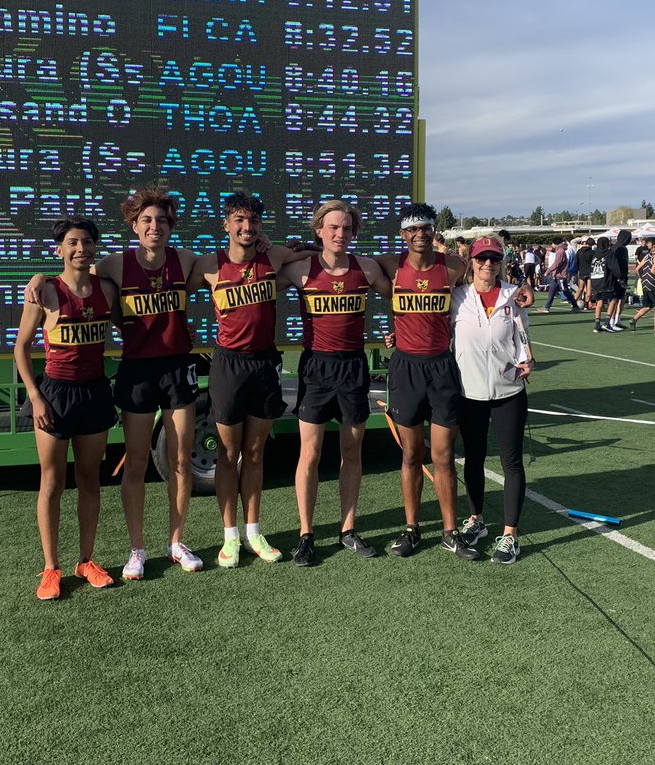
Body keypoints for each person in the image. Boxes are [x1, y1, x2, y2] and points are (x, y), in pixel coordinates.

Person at [25, 191, 207, 579]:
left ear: (171, 225)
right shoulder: (114, 266)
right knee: (136, 462)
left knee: (179, 460)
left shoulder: (187, 260)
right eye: (146, 221)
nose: (154, 227)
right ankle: (135, 549)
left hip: (177, 369)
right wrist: (39, 276)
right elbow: (72, 281)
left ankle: (176, 541)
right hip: (135, 372)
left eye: (161, 220)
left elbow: (233, 260)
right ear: (134, 226)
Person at [189, 193, 312, 568]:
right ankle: (229, 537)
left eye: (254, 221)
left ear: (261, 226)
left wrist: (274, 245)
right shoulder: (210, 265)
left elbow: (311, 252)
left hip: (263, 365)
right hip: (227, 366)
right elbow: (166, 286)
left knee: (255, 453)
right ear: (226, 224)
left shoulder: (272, 258)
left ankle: (254, 531)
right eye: (239, 220)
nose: (246, 227)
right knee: (228, 454)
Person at [14, 217, 119, 601]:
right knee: (52, 483)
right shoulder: (46, 292)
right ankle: (50, 568)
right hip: (55, 394)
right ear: (59, 249)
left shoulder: (106, 289)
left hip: (94, 392)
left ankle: (86, 560)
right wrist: (36, 396)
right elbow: (20, 348)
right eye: (72, 242)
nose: (81, 249)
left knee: (90, 480)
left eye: (87, 242)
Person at [283, 200, 392, 566]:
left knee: (352, 452)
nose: (339, 234)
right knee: (309, 455)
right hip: (315, 367)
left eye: (346, 228)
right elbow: (256, 277)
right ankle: (306, 534)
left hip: (353, 368)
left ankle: (347, 529)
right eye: (332, 227)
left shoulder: (366, 268)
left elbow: (403, 294)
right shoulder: (300, 268)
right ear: (319, 230)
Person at [376, 203, 479, 560]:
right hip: (405, 368)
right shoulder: (390, 266)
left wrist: (519, 289)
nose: (420, 234)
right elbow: (340, 259)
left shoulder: (451, 267)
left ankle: (451, 532)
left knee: (444, 455)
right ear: (403, 234)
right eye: (413, 229)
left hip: (441, 367)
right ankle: (412, 529)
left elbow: (486, 273)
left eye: (426, 228)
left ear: (434, 232)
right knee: (410, 454)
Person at [453, 237, 535, 564]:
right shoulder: (457, 297)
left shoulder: (513, 297)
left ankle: (510, 534)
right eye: (482, 258)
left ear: (501, 261)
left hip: (509, 392)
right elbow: (436, 334)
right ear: (471, 261)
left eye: (494, 258)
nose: (488, 264)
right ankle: (476, 520)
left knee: (511, 462)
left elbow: (524, 338)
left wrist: (529, 360)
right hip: (469, 394)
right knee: (473, 459)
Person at [630, 237, 655, 334]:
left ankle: (634, 319)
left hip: (645, 284)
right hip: (654, 283)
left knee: (647, 306)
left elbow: (637, 269)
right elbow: (653, 270)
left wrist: (642, 279)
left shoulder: (648, 255)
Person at [538, 237, 579, 313]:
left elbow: (557, 263)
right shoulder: (559, 251)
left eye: (552, 243)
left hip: (561, 276)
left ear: (555, 243)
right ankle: (547, 307)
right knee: (552, 291)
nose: (551, 245)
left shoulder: (560, 251)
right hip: (556, 276)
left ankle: (575, 306)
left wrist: (548, 271)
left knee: (565, 291)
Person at [590, 236, 614, 332]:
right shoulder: (608, 254)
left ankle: (597, 323)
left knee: (599, 302)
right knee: (612, 300)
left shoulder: (595, 255)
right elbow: (613, 267)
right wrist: (620, 277)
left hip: (595, 281)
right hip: (605, 281)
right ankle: (607, 322)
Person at [574, 237, 595, 309]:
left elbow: (576, 262)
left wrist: (578, 269)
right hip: (590, 272)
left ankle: (574, 302)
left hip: (582, 272)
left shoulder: (579, 251)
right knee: (589, 290)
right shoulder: (592, 252)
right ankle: (586, 305)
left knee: (580, 288)